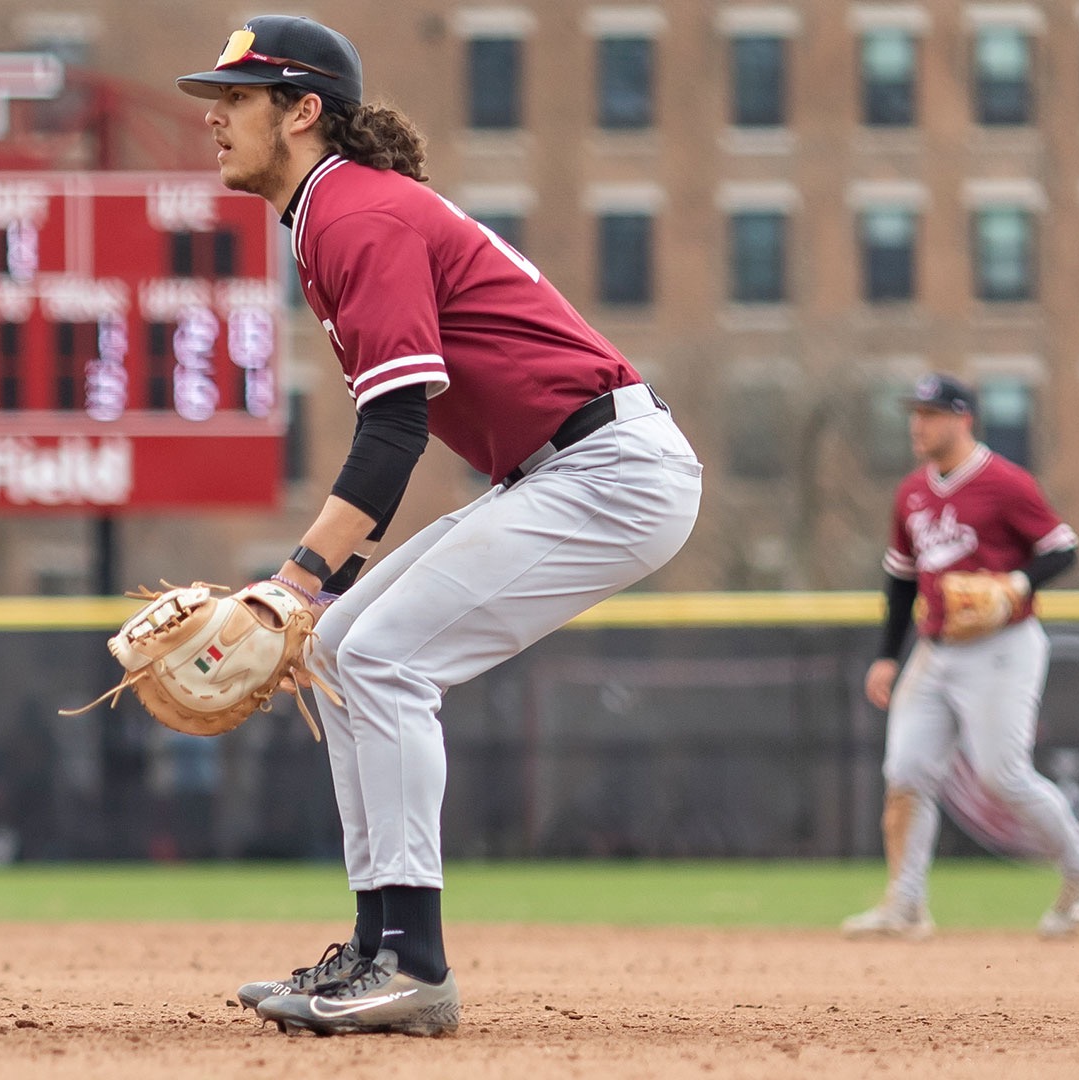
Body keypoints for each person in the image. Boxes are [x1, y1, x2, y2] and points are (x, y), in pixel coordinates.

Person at [175, 16, 702, 1036]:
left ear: (304, 112)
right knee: (336, 650)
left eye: (238, 99)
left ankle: (413, 960)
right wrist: (315, 599)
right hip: (559, 469)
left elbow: (395, 430)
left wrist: (295, 576)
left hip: (608, 470)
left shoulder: (354, 216)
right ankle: (377, 949)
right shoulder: (331, 213)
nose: (217, 119)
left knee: (385, 662)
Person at [843, 374, 1079, 941]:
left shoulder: (1005, 483)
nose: (918, 425)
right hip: (934, 649)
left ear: (962, 419)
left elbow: (1063, 550)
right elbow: (899, 581)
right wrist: (887, 657)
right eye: (914, 414)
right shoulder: (911, 493)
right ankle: (906, 905)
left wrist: (1016, 582)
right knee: (906, 774)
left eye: (930, 414)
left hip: (1002, 648)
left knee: (1003, 775)